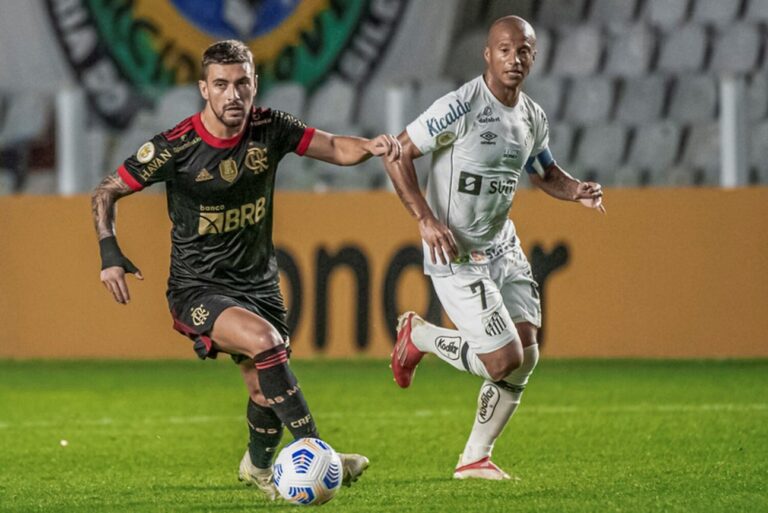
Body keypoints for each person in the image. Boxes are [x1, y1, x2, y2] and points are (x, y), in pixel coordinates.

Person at [90, 40, 400, 500]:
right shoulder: (177, 146)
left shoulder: (270, 128)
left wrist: (372, 146)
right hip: (198, 289)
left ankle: (256, 467)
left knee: (264, 388)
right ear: (204, 89)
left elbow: (333, 147)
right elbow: (106, 191)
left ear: (254, 84)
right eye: (221, 84)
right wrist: (109, 252)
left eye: (241, 83)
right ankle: (319, 453)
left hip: (258, 284)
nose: (232, 94)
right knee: (265, 343)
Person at [380, 16, 604, 480]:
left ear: (533, 57)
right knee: (503, 360)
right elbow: (397, 152)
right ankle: (419, 336)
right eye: (504, 49)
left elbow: (545, 173)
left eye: (523, 51)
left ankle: (474, 459)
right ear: (488, 54)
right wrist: (425, 219)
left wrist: (577, 189)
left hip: (501, 245)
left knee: (527, 354)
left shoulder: (532, 117)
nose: (514, 59)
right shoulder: (460, 107)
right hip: (456, 253)